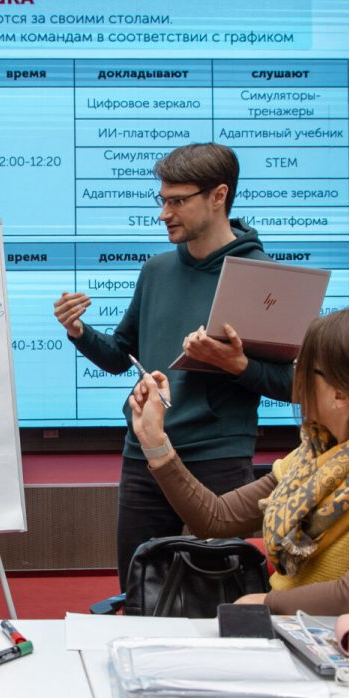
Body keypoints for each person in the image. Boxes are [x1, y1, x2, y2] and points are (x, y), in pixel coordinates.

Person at [128, 305, 349, 615]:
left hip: (342, 652)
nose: (296, 380)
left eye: (305, 369)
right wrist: (154, 439)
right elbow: (215, 518)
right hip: (293, 635)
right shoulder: (317, 452)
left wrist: (265, 603)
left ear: (340, 394)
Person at [54, 142, 294, 588]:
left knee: (220, 591)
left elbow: (291, 384)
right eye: (162, 200)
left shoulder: (264, 278)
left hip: (218, 457)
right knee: (137, 587)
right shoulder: (156, 270)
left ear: (218, 196)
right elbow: (120, 356)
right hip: (144, 452)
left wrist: (237, 364)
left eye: (178, 201)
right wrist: (79, 331)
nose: (164, 213)